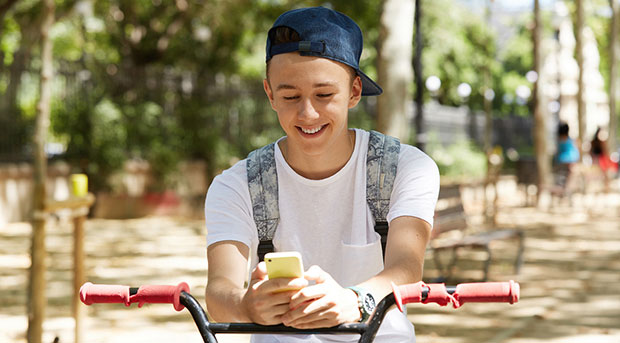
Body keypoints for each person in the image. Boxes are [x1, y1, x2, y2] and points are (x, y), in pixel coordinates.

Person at [204, 7, 439, 343]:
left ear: (355, 92)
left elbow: (406, 269)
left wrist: (353, 300)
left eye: (324, 95)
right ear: (270, 94)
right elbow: (219, 292)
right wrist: (245, 306)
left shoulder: (405, 168)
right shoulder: (236, 185)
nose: (308, 113)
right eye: (290, 96)